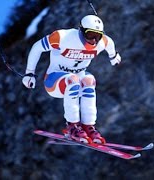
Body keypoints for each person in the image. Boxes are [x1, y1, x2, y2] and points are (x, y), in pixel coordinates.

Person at [22, 15, 121, 144]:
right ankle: (72, 126)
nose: (93, 40)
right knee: (73, 79)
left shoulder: (103, 42)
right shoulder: (62, 37)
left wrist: (114, 57)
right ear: (81, 30)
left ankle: (88, 126)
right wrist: (29, 73)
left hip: (77, 82)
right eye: (90, 35)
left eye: (97, 36)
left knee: (89, 80)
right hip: (54, 82)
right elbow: (37, 47)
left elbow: (110, 45)